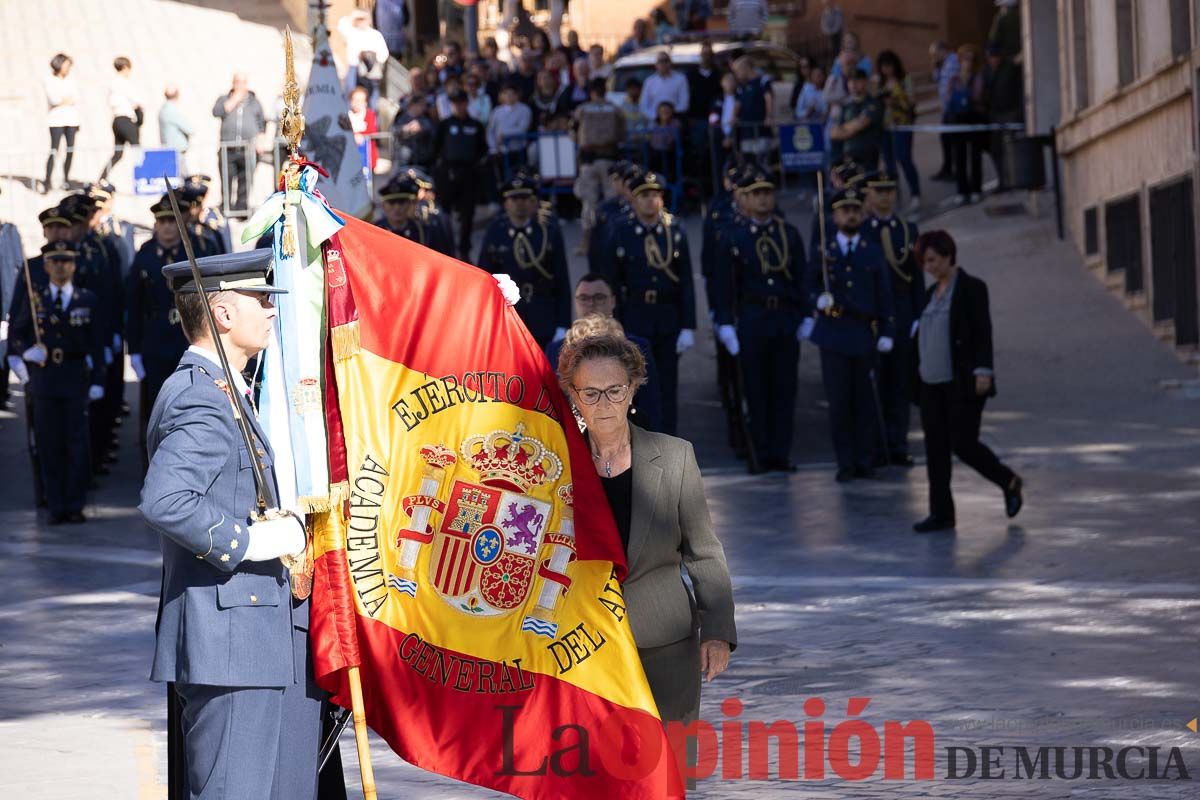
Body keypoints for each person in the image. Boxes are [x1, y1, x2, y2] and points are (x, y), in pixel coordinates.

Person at [140, 249, 322, 799]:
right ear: (222, 313)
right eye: (262, 299)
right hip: (231, 641)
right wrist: (252, 540)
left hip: (252, 636)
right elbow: (166, 499)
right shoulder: (201, 396)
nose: (272, 310)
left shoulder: (225, 391)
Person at [555, 332, 736, 769]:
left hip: (666, 643)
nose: (604, 403)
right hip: (582, 649)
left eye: (615, 390)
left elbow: (703, 550)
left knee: (668, 772)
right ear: (573, 396)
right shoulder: (554, 463)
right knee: (593, 776)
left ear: (633, 387)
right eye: (590, 393)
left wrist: (717, 631)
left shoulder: (675, 457)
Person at [912, 230, 1023, 532]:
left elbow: (982, 331)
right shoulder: (928, 295)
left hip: (962, 382)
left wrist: (983, 369)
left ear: (949, 255)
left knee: (963, 443)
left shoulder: (972, 288)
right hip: (930, 384)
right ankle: (941, 513)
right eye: (924, 262)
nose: (929, 267)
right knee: (935, 449)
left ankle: (1008, 481)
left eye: (933, 260)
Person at [711, 167, 809, 472]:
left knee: (784, 389)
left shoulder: (788, 234)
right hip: (752, 319)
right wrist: (725, 322)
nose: (763, 199)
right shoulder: (733, 237)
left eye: (767, 193)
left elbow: (800, 278)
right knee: (755, 391)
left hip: (782, 317)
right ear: (745, 200)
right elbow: (724, 284)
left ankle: (780, 452)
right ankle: (760, 452)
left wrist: (805, 315)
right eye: (756, 194)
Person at [6, 240, 105, 524]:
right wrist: (25, 351)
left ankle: (75, 504)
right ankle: (55, 504)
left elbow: (96, 345)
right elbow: (17, 331)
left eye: (66, 261)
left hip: (74, 376)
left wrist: (98, 378)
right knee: (49, 443)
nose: (61, 266)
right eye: (55, 261)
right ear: (46, 265)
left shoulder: (87, 299)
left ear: (73, 265)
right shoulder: (36, 297)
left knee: (76, 443)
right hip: (45, 377)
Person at [803, 187, 895, 482]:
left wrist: (887, 329)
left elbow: (884, 295)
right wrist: (817, 299)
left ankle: (865, 458)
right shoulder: (824, 251)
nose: (851, 215)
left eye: (855, 210)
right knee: (839, 403)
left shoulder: (871, 250)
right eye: (845, 210)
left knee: (864, 402)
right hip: (833, 335)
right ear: (834, 215)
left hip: (863, 333)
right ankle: (845, 461)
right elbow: (808, 285)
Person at [596, 171, 696, 435]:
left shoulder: (674, 231)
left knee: (667, 385)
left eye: (655, 195)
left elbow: (685, 280)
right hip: (635, 315)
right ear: (634, 200)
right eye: (644, 196)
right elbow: (612, 282)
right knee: (636, 386)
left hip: (667, 315)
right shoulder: (622, 231)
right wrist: (612, 320)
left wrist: (688, 325)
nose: (651, 201)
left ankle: (669, 442)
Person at [545, 275, 663, 432]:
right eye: (584, 298)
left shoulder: (637, 346)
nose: (591, 304)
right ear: (575, 302)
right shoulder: (556, 349)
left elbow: (651, 405)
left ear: (613, 301)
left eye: (599, 297)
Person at [862, 171, 924, 466]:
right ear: (869, 195)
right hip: (871, 314)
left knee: (900, 383)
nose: (885, 196)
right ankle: (876, 446)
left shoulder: (907, 229)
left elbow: (915, 275)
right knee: (874, 384)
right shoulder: (862, 231)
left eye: (889, 190)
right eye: (879, 190)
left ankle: (898, 444)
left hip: (900, 311)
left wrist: (917, 313)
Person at [125, 196, 188, 467]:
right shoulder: (145, 255)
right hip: (154, 341)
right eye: (162, 221)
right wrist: (135, 350)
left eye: (172, 221)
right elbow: (133, 304)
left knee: (187, 404)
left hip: (186, 339)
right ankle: (153, 464)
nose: (167, 227)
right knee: (155, 408)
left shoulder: (193, 251)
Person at [475, 173, 571, 347]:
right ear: (505, 203)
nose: (519, 203)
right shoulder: (496, 231)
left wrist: (563, 324)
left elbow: (562, 280)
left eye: (525, 198)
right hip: (509, 317)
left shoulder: (548, 231)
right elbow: (485, 278)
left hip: (544, 315)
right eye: (513, 198)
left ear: (534, 201)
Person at [432, 90, 488, 259]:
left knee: (467, 214)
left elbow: (483, 150)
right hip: (448, 174)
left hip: (469, 174)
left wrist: (477, 167)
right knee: (444, 213)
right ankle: (446, 249)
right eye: (455, 103)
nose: (459, 106)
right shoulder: (445, 124)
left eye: (461, 103)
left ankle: (464, 250)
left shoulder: (476, 125)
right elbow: (435, 149)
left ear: (466, 104)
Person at [573, 79, 625, 255]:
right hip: (610, 158)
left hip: (588, 159)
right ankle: (616, 240)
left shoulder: (582, 109)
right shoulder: (615, 109)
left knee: (589, 203)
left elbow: (572, 131)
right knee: (613, 201)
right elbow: (622, 133)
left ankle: (586, 244)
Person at [212, 73, 266, 216]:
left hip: (247, 149)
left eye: (243, 82)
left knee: (245, 178)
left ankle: (241, 207)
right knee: (226, 177)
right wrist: (234, 99)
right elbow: (217, 112)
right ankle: (226, 206)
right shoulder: (224, 99)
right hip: (227, 149)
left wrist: (260, 141)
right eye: (237, 82)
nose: (240, 85)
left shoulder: (254, 102)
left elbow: (261, 123)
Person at [947, 44, 987, 204]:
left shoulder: (977, 77)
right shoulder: (954, 79)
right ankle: (962, 191)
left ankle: (976, 189)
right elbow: (949, 99)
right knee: (960, 156)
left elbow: (978, 96)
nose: (967, 63)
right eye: (965, 59)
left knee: (975, 155)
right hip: (958, 120)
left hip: (973, 118)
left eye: (971, 59)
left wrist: (967, 97)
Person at [374, 173, 452, 254]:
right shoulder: (375, 230)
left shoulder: (423, 231)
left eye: (402, 202)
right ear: (383, 205)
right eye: (391, 203)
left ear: (410, 204)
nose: (397, 208)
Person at [99, 57, 143, 182]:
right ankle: (142, 179)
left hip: (116, 121)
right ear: (125, 68)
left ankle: (102, 179)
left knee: (118, 153)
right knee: (137, 151)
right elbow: (137, 102)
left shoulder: (112, 84)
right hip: (126, 119)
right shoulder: (125, 83)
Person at [830, 68, 883, 171]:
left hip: (868, 157)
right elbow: (834, 133)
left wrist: (844, 128)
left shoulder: (873, 103)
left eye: (857, 80)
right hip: (847, 158)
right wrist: (851, 127)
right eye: (850, 81)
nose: (853, 84)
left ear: (865, 82)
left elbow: (861, 124)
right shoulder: (846, 106)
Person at [43, 53, 80, 193]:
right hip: (56, 121)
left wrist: (65, 100)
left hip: (71, 120)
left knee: (70, 150)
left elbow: (76, 97)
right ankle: (47, 181)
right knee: (54, 150)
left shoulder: (71, 80)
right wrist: (66, 100)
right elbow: (54, 99)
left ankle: (66, 180)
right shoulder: (49, 80)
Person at [338, 8, 389, 104]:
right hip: (354, 68)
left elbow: (384, 53)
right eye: (359, 19)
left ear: (369, 19)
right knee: (351, 96)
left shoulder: (375, 34)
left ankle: (371, 117)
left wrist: (372, 59)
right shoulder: (352, 32)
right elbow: (341, 25)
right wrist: (353, 16)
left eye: (363, 19)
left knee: (372, 98)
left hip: (372, 70)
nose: (361, 21)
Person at [929, 41, 960, 182]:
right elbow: (937, 80)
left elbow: (951, 84)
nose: (934, 57)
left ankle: (955, 169)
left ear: (943, 51)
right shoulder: (941, 64)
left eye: (935, 54)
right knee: (945, 139)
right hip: (946, 108)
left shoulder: (953, 61)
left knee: (953, 141)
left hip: (953, 108)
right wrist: (936, 66)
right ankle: (947, 168)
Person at [640, 53, 689, 122]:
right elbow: (644, 106)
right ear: (656, 64)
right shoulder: (649, 82)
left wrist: (669, 116)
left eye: (666, 61)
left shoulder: (681, 79)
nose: (663, 64)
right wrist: (657, 117)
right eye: (660, 61)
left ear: (670, 63)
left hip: (674, 122)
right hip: (653, 123)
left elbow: (684, 104)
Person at [391, 94, 436, 168]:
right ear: (413, 105)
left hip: (422, 161)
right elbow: (393, 131)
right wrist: (404, 129)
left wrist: (422, 129)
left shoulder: (425, 119)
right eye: (421, 105)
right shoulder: (401, 117)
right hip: (403, 160)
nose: (424, 108)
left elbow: (432, 131)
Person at [158, 84, 195, 172]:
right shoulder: (171, 111)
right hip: (176, 152)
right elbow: (190, 129)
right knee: (183, 180)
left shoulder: (162, 110)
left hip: (170, 151)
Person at [348, 86, 380, 177]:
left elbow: (372, 131)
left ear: (365, 102)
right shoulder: (346, 116)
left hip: (367, 158)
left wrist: (359, 136)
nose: (357, 103)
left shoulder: (370, 115)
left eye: (360, 100)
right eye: (355, 100)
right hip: (350, 159)